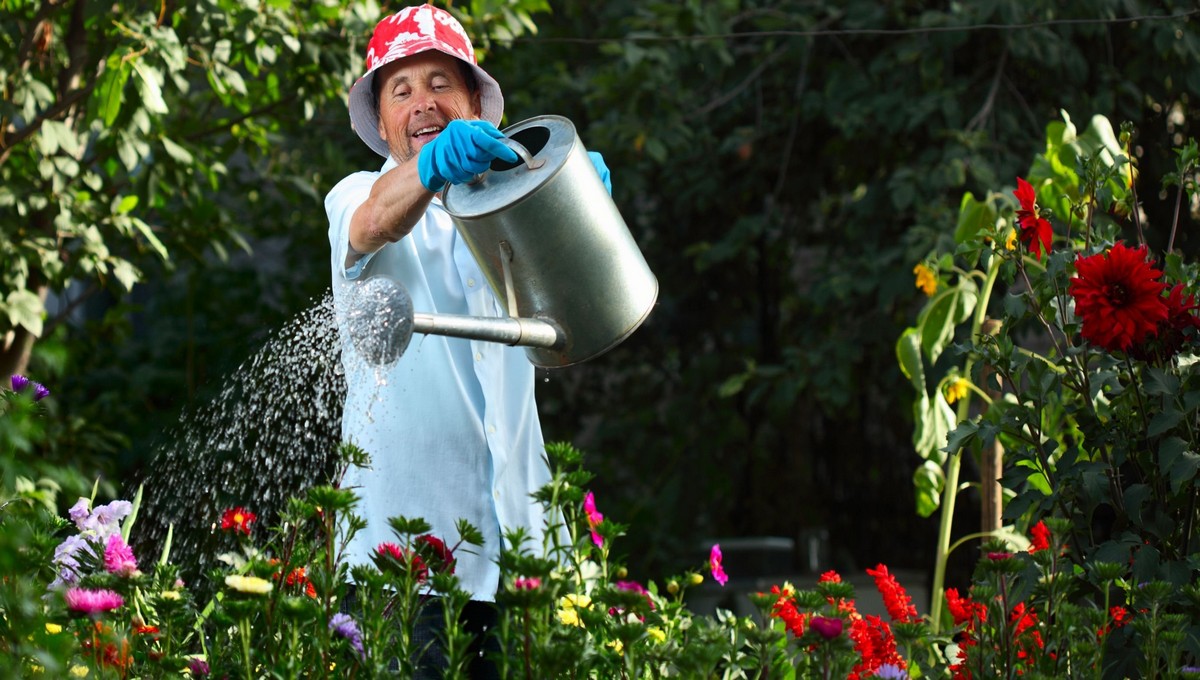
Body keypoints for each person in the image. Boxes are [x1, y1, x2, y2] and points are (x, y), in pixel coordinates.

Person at [325, 5, 610, 677]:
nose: (423, 103)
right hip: (403, 569)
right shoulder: (357, 195)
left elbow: (586, 325)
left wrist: (579, 213)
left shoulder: (513, 211)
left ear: (476, 102)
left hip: (523, 564)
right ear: (382, 120)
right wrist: (431, 170)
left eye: (440, 84)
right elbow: (372, 222)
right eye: (402, 90)